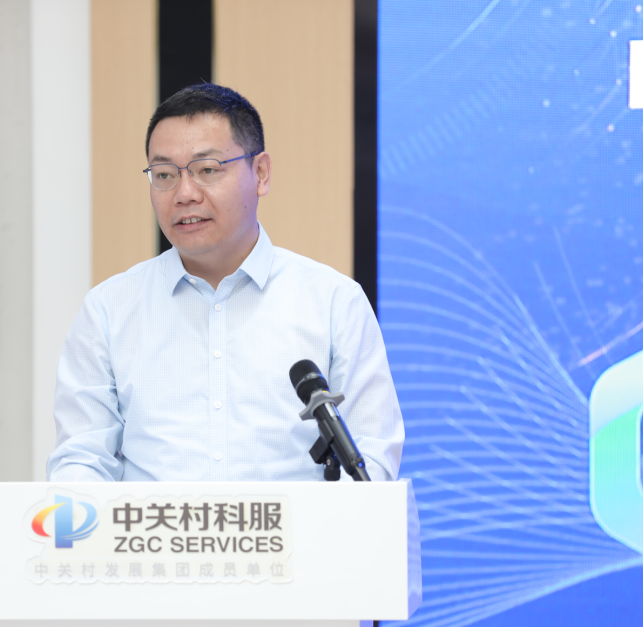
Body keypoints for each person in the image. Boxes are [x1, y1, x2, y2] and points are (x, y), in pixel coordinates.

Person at [46, 83, 403, 482]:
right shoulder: (108, 310)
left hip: (296, 526)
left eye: (207, 170)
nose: (184, 194)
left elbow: (371, 461)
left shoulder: (334, 302)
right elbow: (82, 461)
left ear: (260, 173)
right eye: (164, 175)